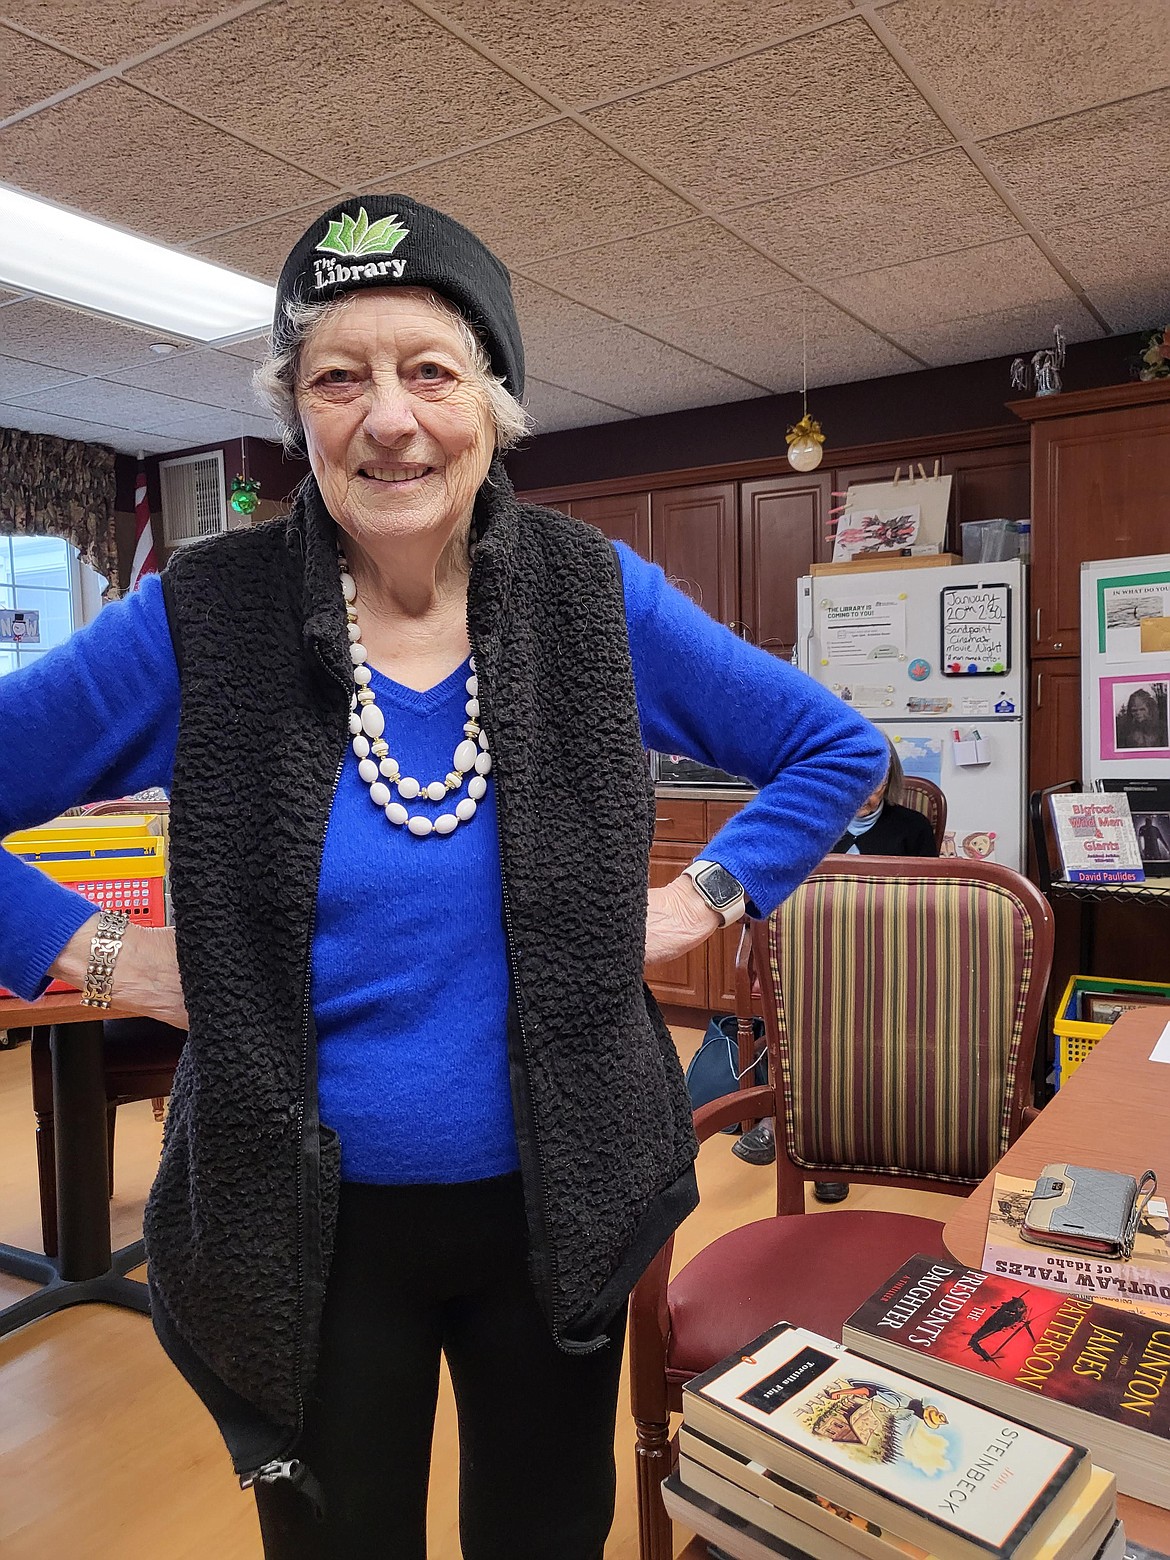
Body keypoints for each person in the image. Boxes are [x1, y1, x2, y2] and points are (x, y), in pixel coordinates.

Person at [0, 195, 887, 1560]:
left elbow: (835, 749)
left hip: (560, 1208)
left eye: (429, 370)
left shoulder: (594, 597)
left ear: (495, 402)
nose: (388, 418)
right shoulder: (205, 617)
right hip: (299, 1233)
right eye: (336, 377)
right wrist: (101, 957)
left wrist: (705, 897)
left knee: (542, 1536)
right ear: (298, 414)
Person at [734, 737, 938, 1187]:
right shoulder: (812, 822)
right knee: (806, 1017)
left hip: (889, 956)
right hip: (812, 953)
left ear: (891, 778)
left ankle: (830, 1147)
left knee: (854, 1024)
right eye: (859, 775)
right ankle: (791, 1129)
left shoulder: (913, 827)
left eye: (879, 776)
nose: (869, 787)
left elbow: (928, 904)